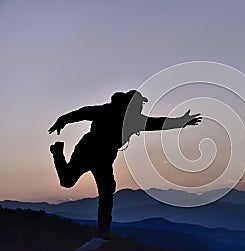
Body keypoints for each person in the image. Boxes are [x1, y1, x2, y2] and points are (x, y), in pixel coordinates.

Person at [48, 90, 201, 238]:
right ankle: (57, 152)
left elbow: (158, 123)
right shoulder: (109, 111)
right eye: (140, 104)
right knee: (69, 182)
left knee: (106, 192)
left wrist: (182, 121)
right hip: (88, 152)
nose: (141, 107)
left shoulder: (132, 119)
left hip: (103, 159)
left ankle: (103, 230)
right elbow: (81, 113)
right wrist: (62, 121)